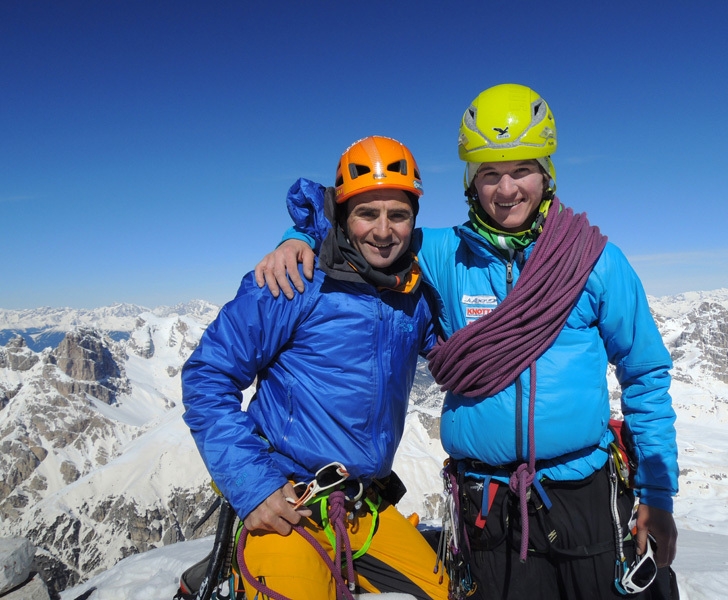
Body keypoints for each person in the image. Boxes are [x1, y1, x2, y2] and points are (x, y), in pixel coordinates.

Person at [255, 84, 679, 599]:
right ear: (469, 181)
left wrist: (657, 495)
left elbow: (646, 374)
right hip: (487, 509)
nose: (506, 190)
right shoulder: (439, 254)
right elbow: (359, 219)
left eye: (521, 169)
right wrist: (296, 238)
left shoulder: (593, 260)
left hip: (584, 496)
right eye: (489, 174)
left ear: (546, 173)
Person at [182, 136, 449, 600]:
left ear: (414, 220)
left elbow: (454, 357)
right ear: (343, 216)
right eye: (368, 213)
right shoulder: (293, 281)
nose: (383, 231)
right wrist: (253, 487)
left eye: (398, 214)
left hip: (364, 502)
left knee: (444, 594)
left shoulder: (413, 295)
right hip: (288, 501)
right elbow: (206, 376)